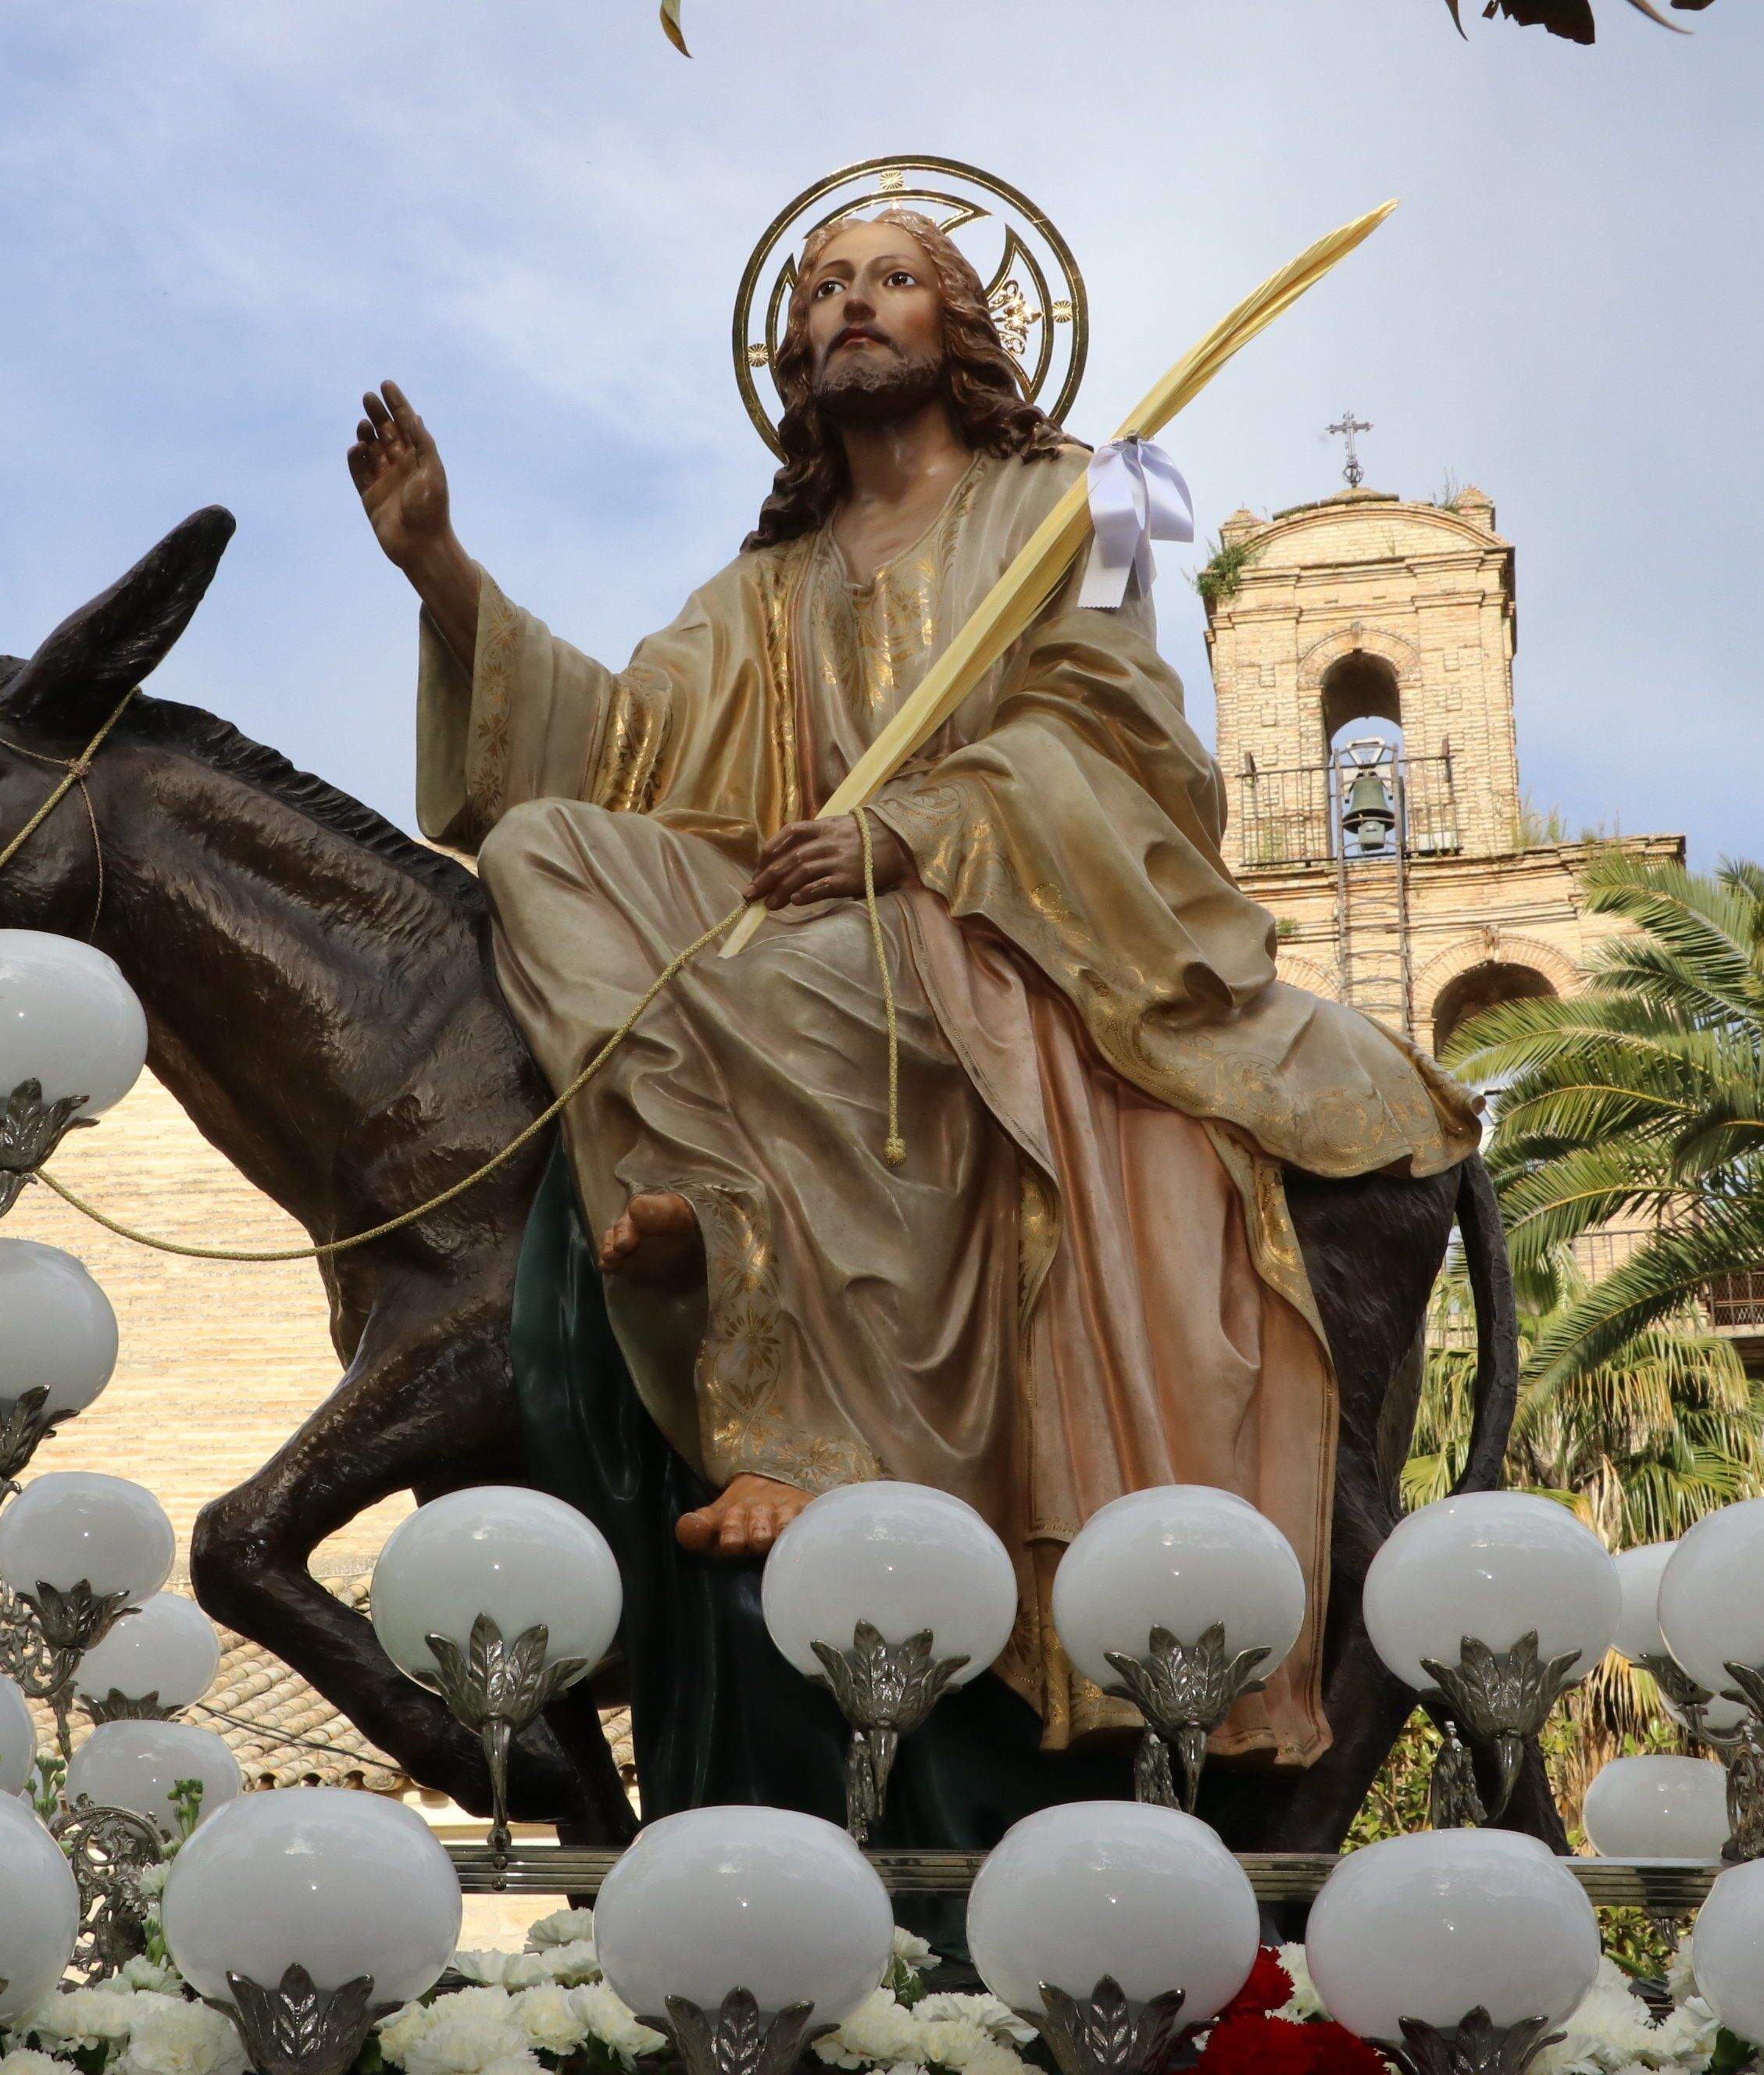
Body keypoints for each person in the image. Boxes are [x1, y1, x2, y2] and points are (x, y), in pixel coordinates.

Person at [351, 209, 1477, 1771]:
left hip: (998, 910)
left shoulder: (1079, 500)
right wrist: (441, 565)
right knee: (547, 848)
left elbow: (1125, 724)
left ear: (959, 324)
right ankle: (697, 1187)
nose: (851, 303)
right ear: (795, 353)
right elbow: (618, 755)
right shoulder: (762, 586)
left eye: (890, 277)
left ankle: (792, 1408)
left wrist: (914, 831)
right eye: (822, 288)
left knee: (804, 974)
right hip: (786, 906)